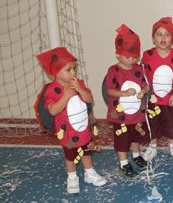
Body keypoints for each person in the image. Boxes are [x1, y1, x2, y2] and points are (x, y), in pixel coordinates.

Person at [36, 47, 107, 194]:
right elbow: (53, 110)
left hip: (83, 129)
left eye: (74, 68)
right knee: (71, 156)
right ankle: (72, 177)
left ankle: (90, 173)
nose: (73, 72)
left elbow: (89, 100)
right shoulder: (52, 90)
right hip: (68, 133)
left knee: (86, 152)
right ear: (55, 72)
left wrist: (81, 90)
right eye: (68, 70)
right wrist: (65, 96)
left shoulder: (77, 82)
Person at [105, 24, 149, 178]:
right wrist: (123, 93)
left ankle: (136, 155)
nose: (131, 60)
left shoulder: (139, 69)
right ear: (118, 54)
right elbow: (109, 90)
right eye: (127, 57)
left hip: (136, 112)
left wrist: (143, 91)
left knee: (136, 136)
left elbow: (145, 84)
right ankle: (123, 162)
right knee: (123, 139)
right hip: (121, 114)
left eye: (134, 57)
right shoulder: (114, 71)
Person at [141, 17, 173, 162]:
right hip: (153, 99)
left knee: (171, 123)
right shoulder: (147, 56)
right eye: (159, 34)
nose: (163, 37)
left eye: (167, 34)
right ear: (153, 38)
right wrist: (145, 92)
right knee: (152, 123)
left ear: (172, 39)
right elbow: (143, 76)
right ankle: (152, 146)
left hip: (170, 100)